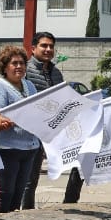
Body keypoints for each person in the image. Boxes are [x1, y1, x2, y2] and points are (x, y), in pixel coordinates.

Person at [21, 31, 83, 206]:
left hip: (56, 129)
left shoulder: (56, 73)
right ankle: (27, 213)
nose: (48, 49)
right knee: (30, 179)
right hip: (34, 131)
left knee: (82, 156)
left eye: (51, 46)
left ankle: (70, 203)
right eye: (44, 46)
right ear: (33, 49)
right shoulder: (25, 70)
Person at [0, 45, 41, 213]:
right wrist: (10, 119)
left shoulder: (30, 86)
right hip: (7, 149)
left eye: (22, 63)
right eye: (14, 63)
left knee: (19, 193)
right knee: (5, 193)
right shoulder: (0, 86)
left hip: (30, 148)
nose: (19, 66)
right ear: (5, 67)